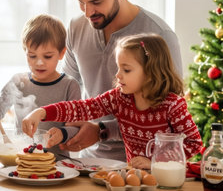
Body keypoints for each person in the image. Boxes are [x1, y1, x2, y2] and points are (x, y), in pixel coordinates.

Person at [59, 0, 183, 161]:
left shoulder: (160, 35)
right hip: (88, 163)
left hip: (144, 165)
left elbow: (169, 115)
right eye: (81, 2)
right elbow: (68, 89)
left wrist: (101, 131)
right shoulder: (76, 27)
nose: (88, 12)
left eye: (97, 2)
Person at [23, 33, 202, 169]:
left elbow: (193, 144)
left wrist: (154, 162)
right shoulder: (119, 98)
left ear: (150, 72)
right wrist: (42, 112)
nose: (118, 75)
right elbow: (83, 108)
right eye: (118, 67)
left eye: (126, 70)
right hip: (134, 177)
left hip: (166, 180)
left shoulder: (172, 105)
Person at [0, 14, 81, 159]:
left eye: (47, 56)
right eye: (32, 56)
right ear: (25, 52)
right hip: (20, 161)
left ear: (62, 53)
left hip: (57, 162)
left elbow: (76, 128)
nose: (39, 63)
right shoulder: (18, 81)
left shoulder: (70, 86)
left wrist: (62, 134)